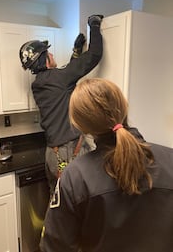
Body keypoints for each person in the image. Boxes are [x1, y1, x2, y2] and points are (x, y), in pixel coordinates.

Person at [40, 78, 173, 252]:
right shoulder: (170, 159)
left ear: (81, 126)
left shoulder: (75, 176)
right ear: (124, 107)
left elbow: (55, 247)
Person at [19, 15, 104, 196]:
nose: (52, 54)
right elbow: (95, 54)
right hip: (69, 151)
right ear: (44, 59)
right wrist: (94, 24)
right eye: (48, 53)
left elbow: (67, 76)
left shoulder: (38, 84)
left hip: (52, 154)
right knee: (80, 201)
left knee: (57, 201)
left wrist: (76, 52)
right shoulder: (59, 78)